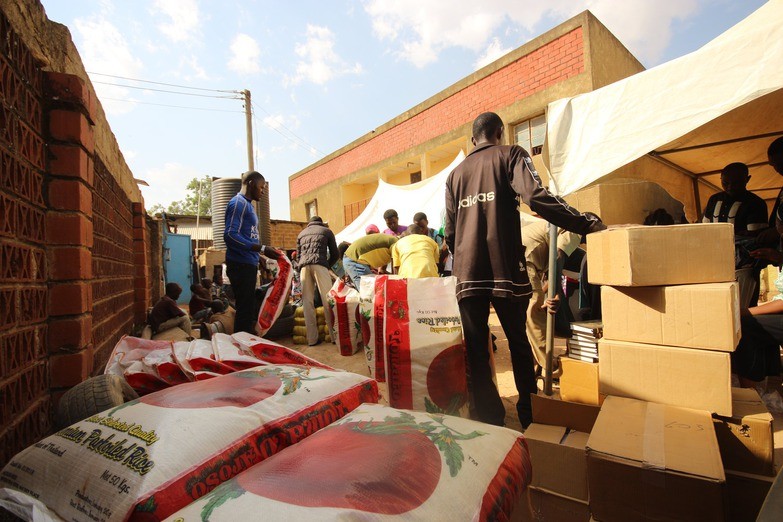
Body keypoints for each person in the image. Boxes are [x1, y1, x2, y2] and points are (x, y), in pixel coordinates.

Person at [445, 112, 605, 428]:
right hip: (504, 266)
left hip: (466, 273)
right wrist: (584, 222)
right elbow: (534, 197)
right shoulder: (511, 155)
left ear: (474, 138)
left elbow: (450, 231)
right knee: (518, 343)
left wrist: (464, 258)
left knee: (477, 350)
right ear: (500, 133)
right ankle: (531, 418)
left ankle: (492, 421)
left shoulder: (454, 175)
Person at [521, 213, 581, 378]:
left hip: (521, 256)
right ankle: (550, 364)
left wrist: (548, 292)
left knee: (534, 309)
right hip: (525, 258)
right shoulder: (576, 230)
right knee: (535, 311)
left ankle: (537, 360)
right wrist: (555, 295)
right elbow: (557, 258)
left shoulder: (561, 225)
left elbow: (550, 272)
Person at [224, 170, 280, 334]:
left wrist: (259, 258)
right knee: (244, 309)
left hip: (248, 263)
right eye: (261, 187)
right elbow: (230, 235)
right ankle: (240, 346)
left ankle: (244, 342)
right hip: (239, 264)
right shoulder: (238, 203)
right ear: (250, 184)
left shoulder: (248, 205)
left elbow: (248, 237)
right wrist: (262, 248)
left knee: (248, 308)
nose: (262, 191)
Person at [296, 216, 339, 346]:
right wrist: (327, 265)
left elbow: (298, 256)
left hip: (303, 266)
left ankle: (312, 339)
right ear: (321, 223)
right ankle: (333, 337)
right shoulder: (326, 231)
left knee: (307, 302)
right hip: (320, 264)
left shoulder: (301, 233)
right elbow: (335, 254)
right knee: (327, 300)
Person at [702, 163, 768, 235]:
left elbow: (756, 236)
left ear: (747, 179)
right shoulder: (714, 199)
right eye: (725, 183)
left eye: (736, 183)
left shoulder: (755, 203)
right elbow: (705, 228)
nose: (730, 187)